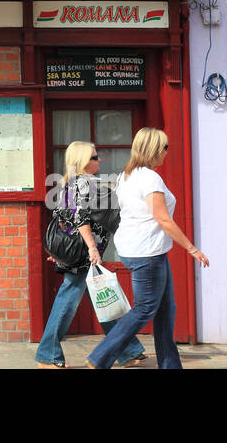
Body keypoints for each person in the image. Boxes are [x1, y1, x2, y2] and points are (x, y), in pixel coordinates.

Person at [86, 127, 208, 370]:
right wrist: (192, 249)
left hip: (144, 249)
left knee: (165, 309)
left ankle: (170, 365)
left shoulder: (127, 175)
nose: (166, 152)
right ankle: (99, 358)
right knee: (145, 308)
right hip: (146, 251)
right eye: (164, 147)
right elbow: (162, 218)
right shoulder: (150, 178)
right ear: (153, 150)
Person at [35, 141, 147, 368]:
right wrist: (91, 248)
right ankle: (48, 354)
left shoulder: (79, 183)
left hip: (80, 252)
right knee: (70, 298)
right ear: (84, 161)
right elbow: (80, 219)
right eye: (95, 157)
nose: (100, 160)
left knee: (102, 297)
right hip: (84, 253)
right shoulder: (82, 184)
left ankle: (128, 349)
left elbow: (67, 219)